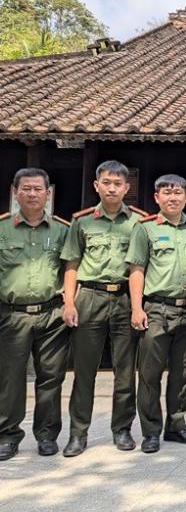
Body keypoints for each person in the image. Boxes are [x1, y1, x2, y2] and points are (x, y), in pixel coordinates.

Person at [61, 160, 147, 458]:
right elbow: (71, 264)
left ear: (127, 188)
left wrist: (137, 307)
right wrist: (69, 302)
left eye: (117, 184)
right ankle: (78, 433)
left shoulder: (138, 222)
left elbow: (138, 267)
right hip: (90, 297)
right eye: (106, 183)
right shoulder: (82, 222)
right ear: (96, 185)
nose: (112, 188)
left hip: (124, 298)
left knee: (125, 370)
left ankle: (122, 429)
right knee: (84, 370)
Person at [126, 175, 186, 454]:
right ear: (157, 197)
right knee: (150, 374)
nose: (173, 197)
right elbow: (137, 269)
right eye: (167, 192)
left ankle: (176, 425)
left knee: (182, 374)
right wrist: (137, 308)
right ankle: (150, 431)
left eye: (178, 192)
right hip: (156, 309)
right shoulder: (145, 228)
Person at [0, 169, 70, 461]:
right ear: (15, 192)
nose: (32, 194)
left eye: (38, 189)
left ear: (47, 193)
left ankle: (46, 435)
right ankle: (7, 435)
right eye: (26, 188)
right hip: (11, 315)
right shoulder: (2, 229)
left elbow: (70, 269)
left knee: (51, 377)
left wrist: (69, 304)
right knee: (9, 378)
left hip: (51, 314)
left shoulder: (62, 230)